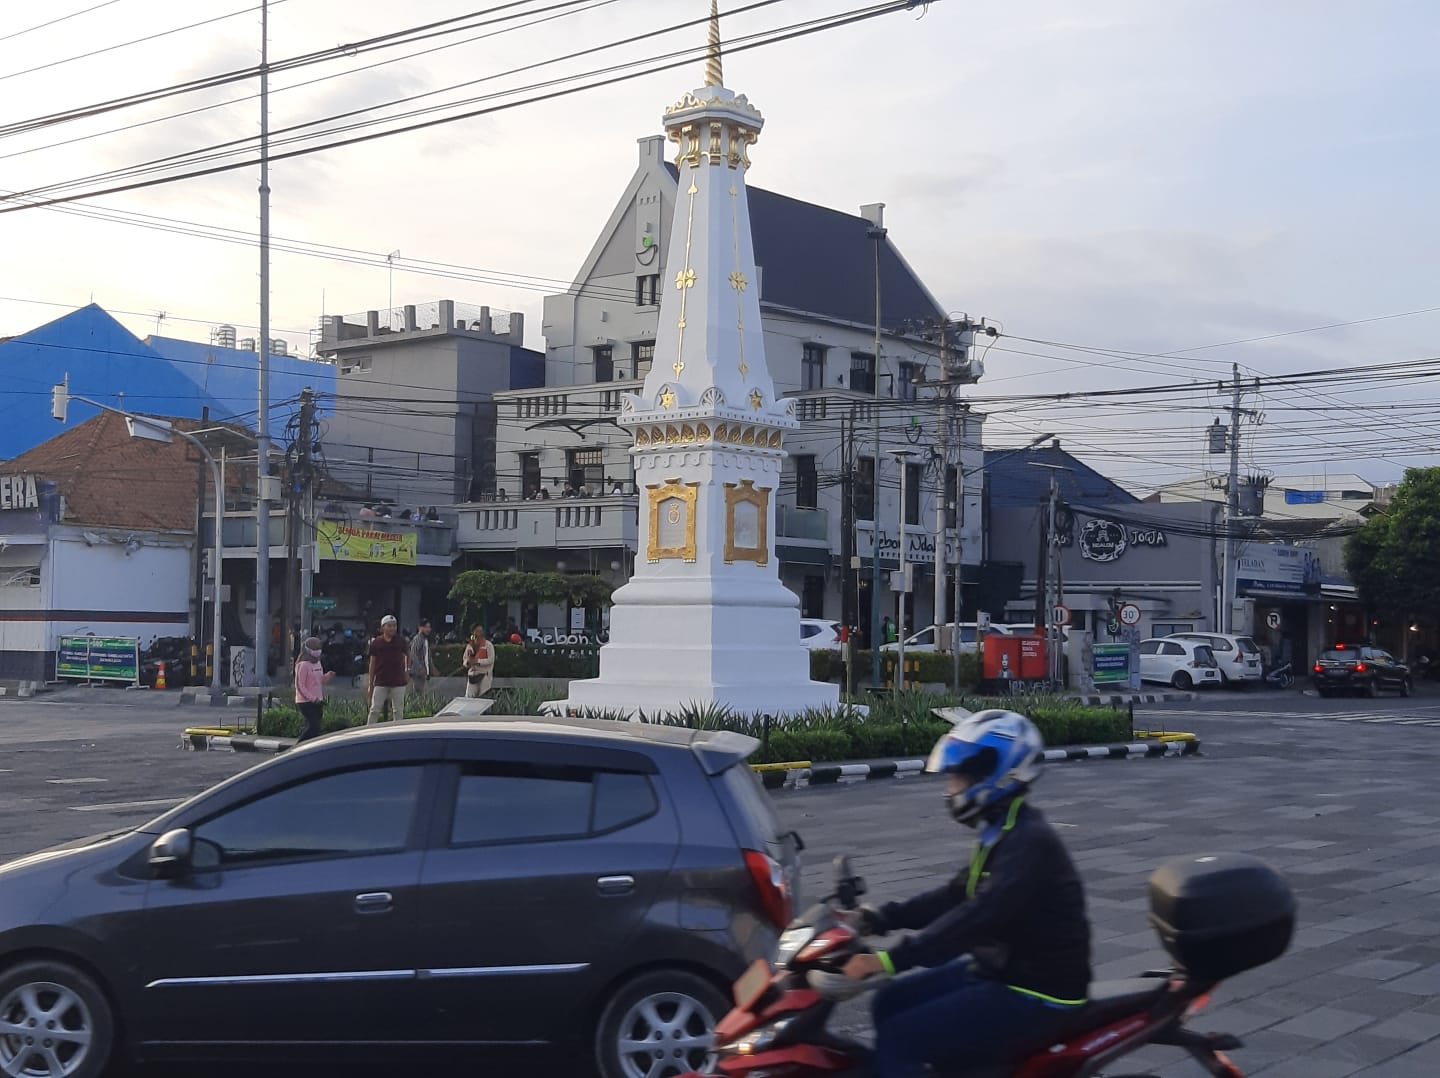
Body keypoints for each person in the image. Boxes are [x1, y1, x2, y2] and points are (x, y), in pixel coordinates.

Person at [841, 711, 1091, 1077]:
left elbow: (975, 918)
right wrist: (878, 918)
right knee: (889, 1001)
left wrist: (888, 961)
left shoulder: (1028, 842)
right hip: (1002, 969)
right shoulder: (1002, 829)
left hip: (1038, 990)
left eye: (959, 776)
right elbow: (955, 896)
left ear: (996, 775)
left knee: (900, 1036)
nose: (952, 787)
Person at [366, 614, 409, 724]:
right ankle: (368, 731)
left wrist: (406, 670)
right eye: (389, 626)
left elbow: (407, 656)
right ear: (383, 627)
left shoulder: (401, 641)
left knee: (398, 711)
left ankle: (397, 733)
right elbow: (372, 663)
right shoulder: (376, 642)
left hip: (398, 682)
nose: (392, 628)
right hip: (381, 681)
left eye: (394, 626)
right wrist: (370, 684)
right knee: (374, 709)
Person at [293, 636, 335, 742]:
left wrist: (328, 676)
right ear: (307, 650)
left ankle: (309, 749)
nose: (317, 651)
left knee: (316, 729)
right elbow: (300, 686)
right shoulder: (302, 665)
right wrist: (312, 698)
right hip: (305, 702)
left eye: (318, 648)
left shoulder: (318, 663)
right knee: (313, 726)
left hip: (318, 701)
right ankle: (297, 747)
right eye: (314, 649)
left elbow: (319, 681)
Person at [462, 625, 495, 699]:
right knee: (468, 697)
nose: (479, 633)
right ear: (472, 632)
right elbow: (464, 659)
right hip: (472, 675)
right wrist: (467, 663)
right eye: (477, 631)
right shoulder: (469, 646)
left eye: (481, 631)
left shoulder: (488, 645)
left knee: (483, 698)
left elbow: (491, 660)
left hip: (484, 675)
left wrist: (478, 661)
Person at [409, 618, 439, 697]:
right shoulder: (418, 638)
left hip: (424, 672)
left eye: (429, 627)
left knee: (422, 694)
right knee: (418, 694)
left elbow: (427, 656)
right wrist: (419, 667)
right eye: (426, 627)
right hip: (417, 672)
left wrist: (432, 667)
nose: (428, 629)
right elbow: (413, 653)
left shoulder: (425, 639)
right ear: (420, 628)